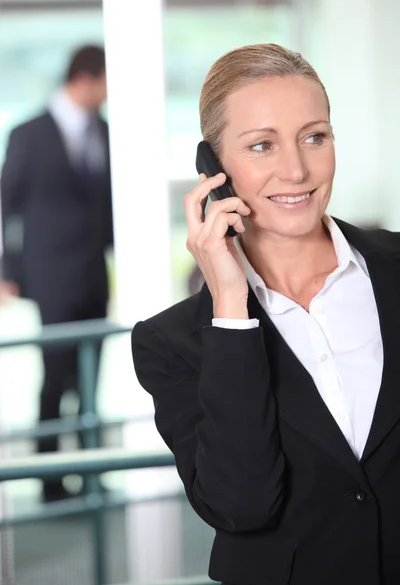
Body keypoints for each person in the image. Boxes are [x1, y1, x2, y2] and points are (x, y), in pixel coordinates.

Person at [131, 42, 400, 584]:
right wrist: (231, 308)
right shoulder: (174, 342)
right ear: (212, 168)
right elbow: (242, 504)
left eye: (314, 137)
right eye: (261, 146)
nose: (296, 169)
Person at [0, 44, 113, 502]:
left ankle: (91, 469)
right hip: (50, 274)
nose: (108, 94)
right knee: (56, 374)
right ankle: (50, 477)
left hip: (93, 272)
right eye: (105, 83)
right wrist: (6, 270)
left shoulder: (105, 131)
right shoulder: (28, 133)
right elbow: (5, 206)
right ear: (85, 79)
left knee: (92, 377)